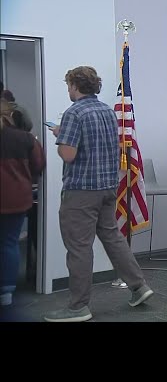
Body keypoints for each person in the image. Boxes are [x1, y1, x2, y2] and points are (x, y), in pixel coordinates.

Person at [44, 66, 154, 322]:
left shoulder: (74, 112)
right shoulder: (106, 110)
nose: (68, 89)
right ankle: (139, 286)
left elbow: (69, 155)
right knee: (114, 239)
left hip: (81, 192)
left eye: (68, 85)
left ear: (75, 85)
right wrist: (66, 133)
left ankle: (78, 307)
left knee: (79, 248)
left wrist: (61, 138)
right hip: (107, 189)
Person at [0, 100, 45, 313]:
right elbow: (39, 165)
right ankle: (6, 293)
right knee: (9, 243)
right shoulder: (26, 138)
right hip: (16, 200)